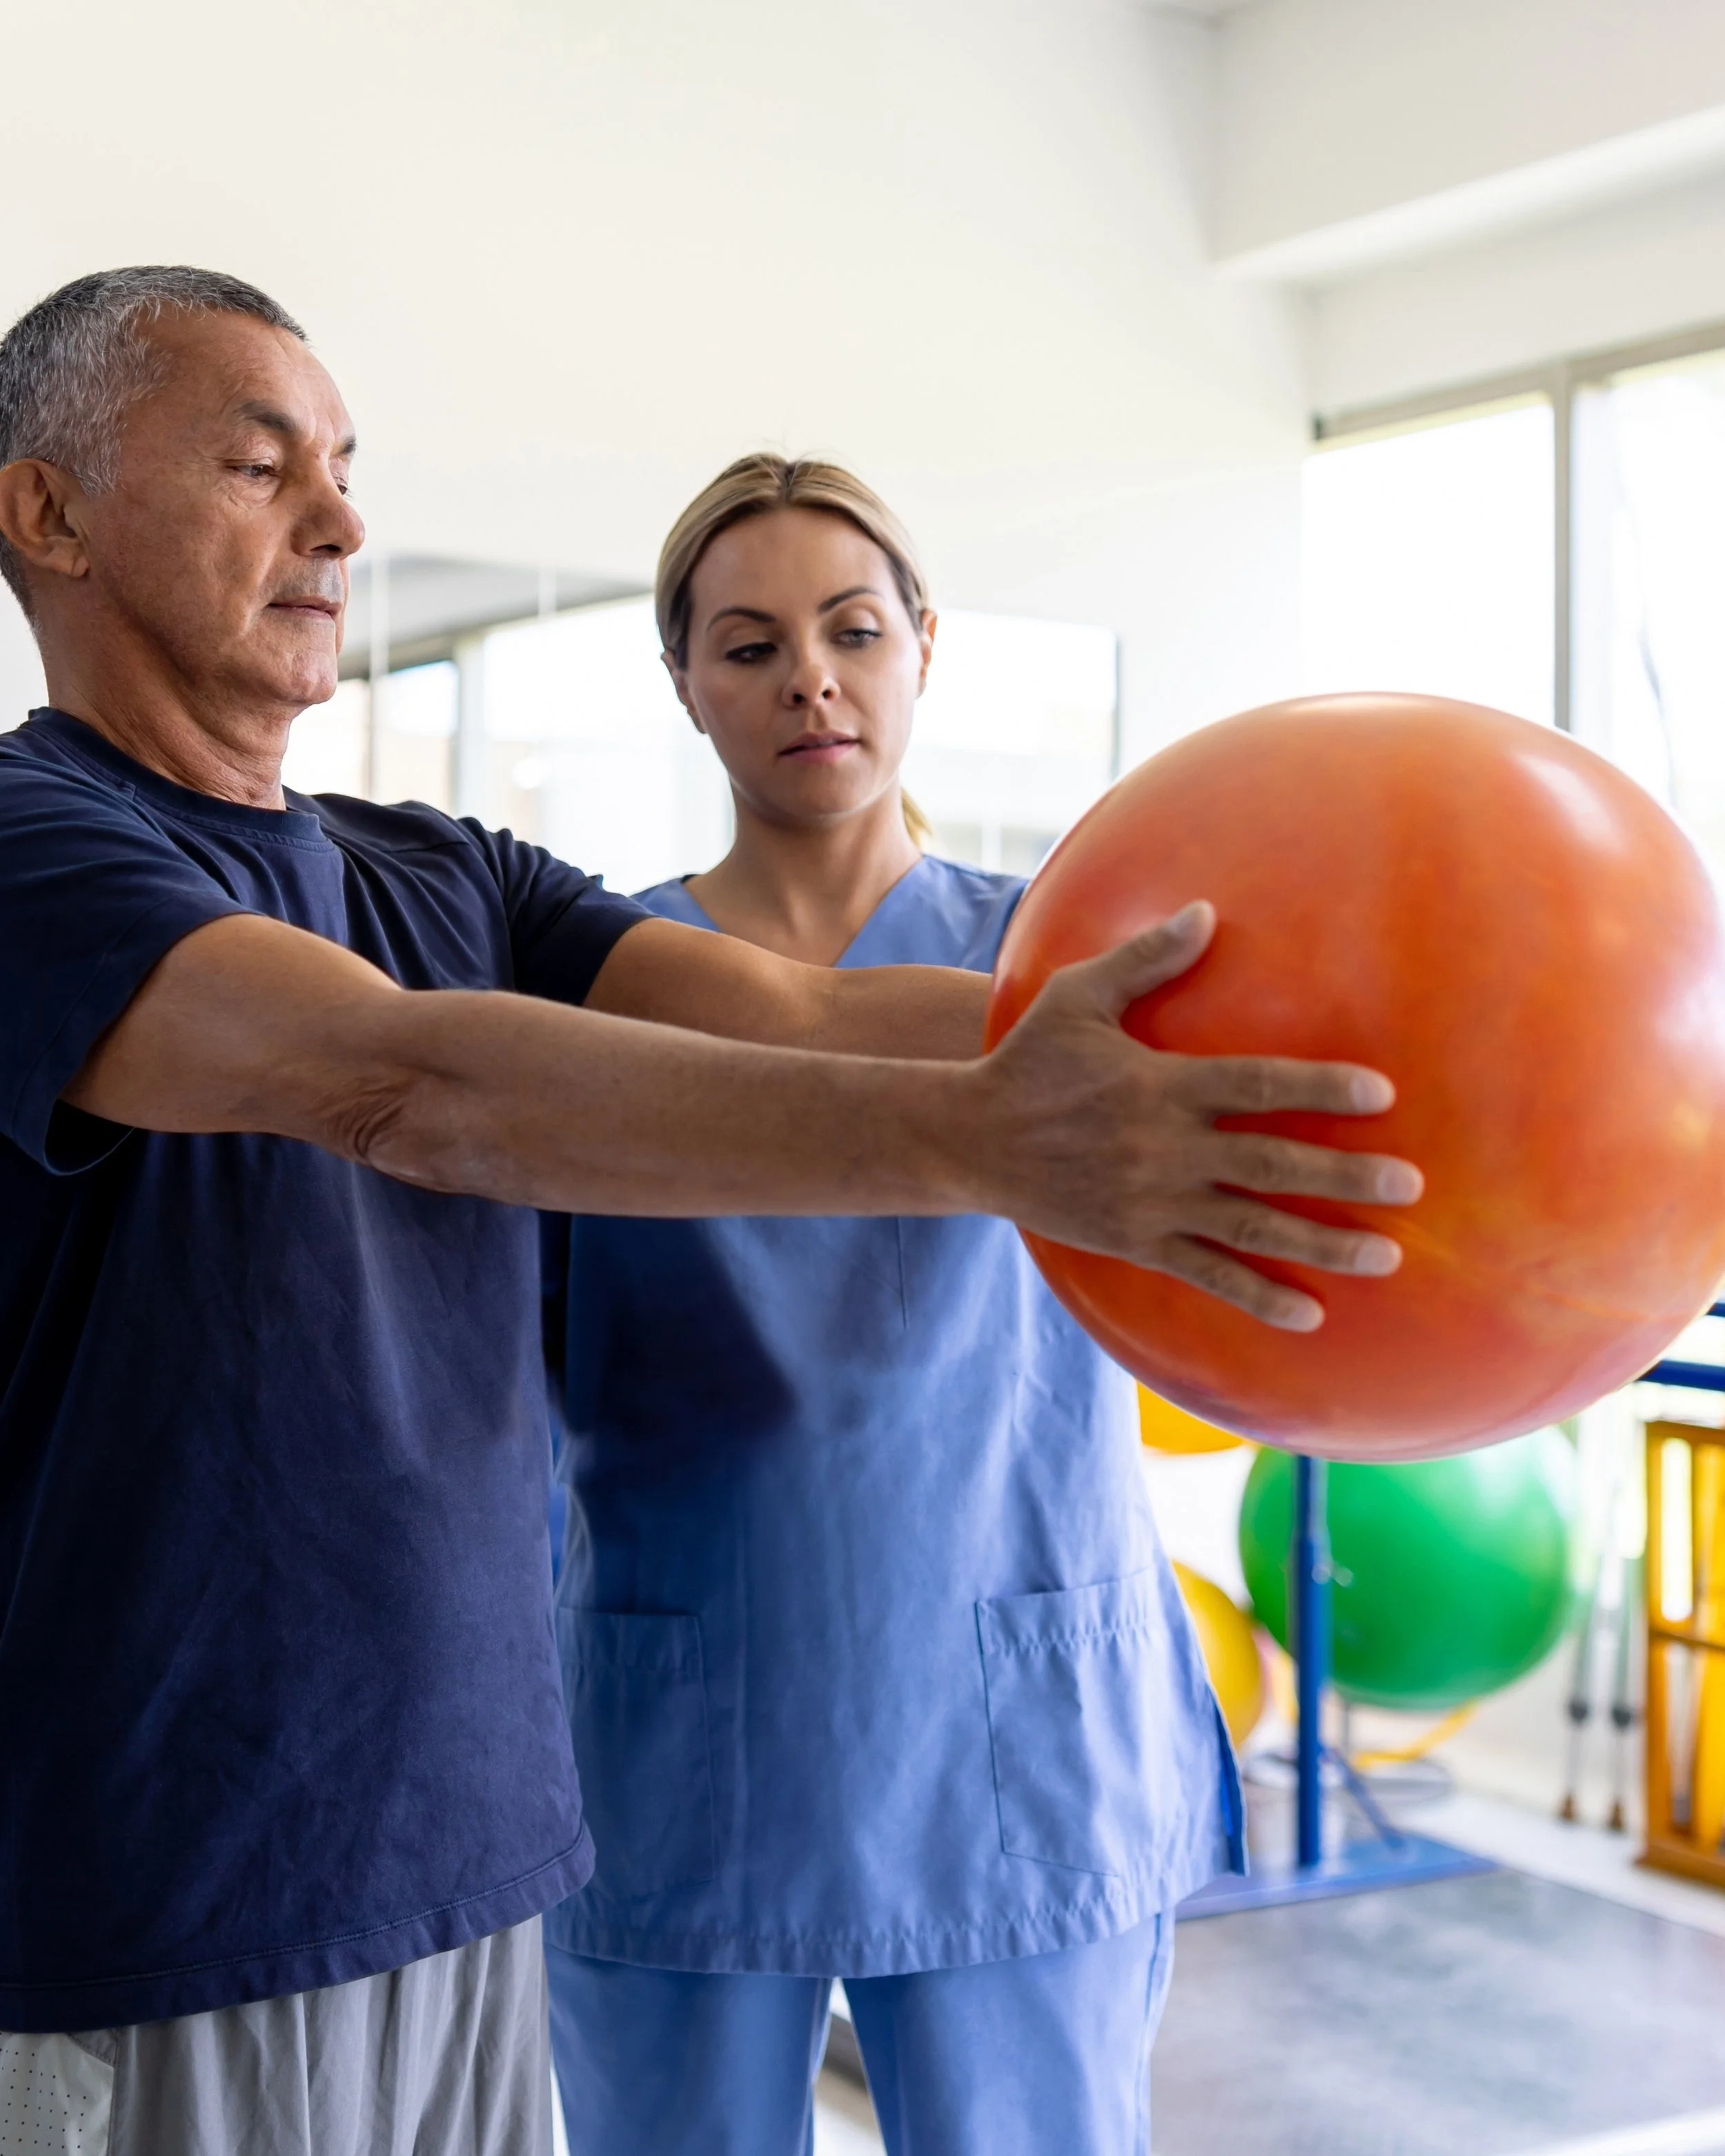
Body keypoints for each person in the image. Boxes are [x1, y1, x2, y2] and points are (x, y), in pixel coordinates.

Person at [0, 269, 1418, 2156]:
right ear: (49, 515)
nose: (340, 522)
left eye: (345, 470)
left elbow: (815, 1009)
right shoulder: (38, 854)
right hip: (184, 1889)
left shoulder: (442, 869)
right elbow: (402, 1084)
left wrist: (1284, 1048)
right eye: (262, 465)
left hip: (466, 1858)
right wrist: (1000, 1139)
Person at [538, 457, 1281, 2155]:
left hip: (1009, 1707)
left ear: (922, 647)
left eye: (851, 627)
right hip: (692, 1719)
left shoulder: (1068, 968)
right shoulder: (595, 988)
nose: (808, 675)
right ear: (683, 686)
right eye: (747, 644)